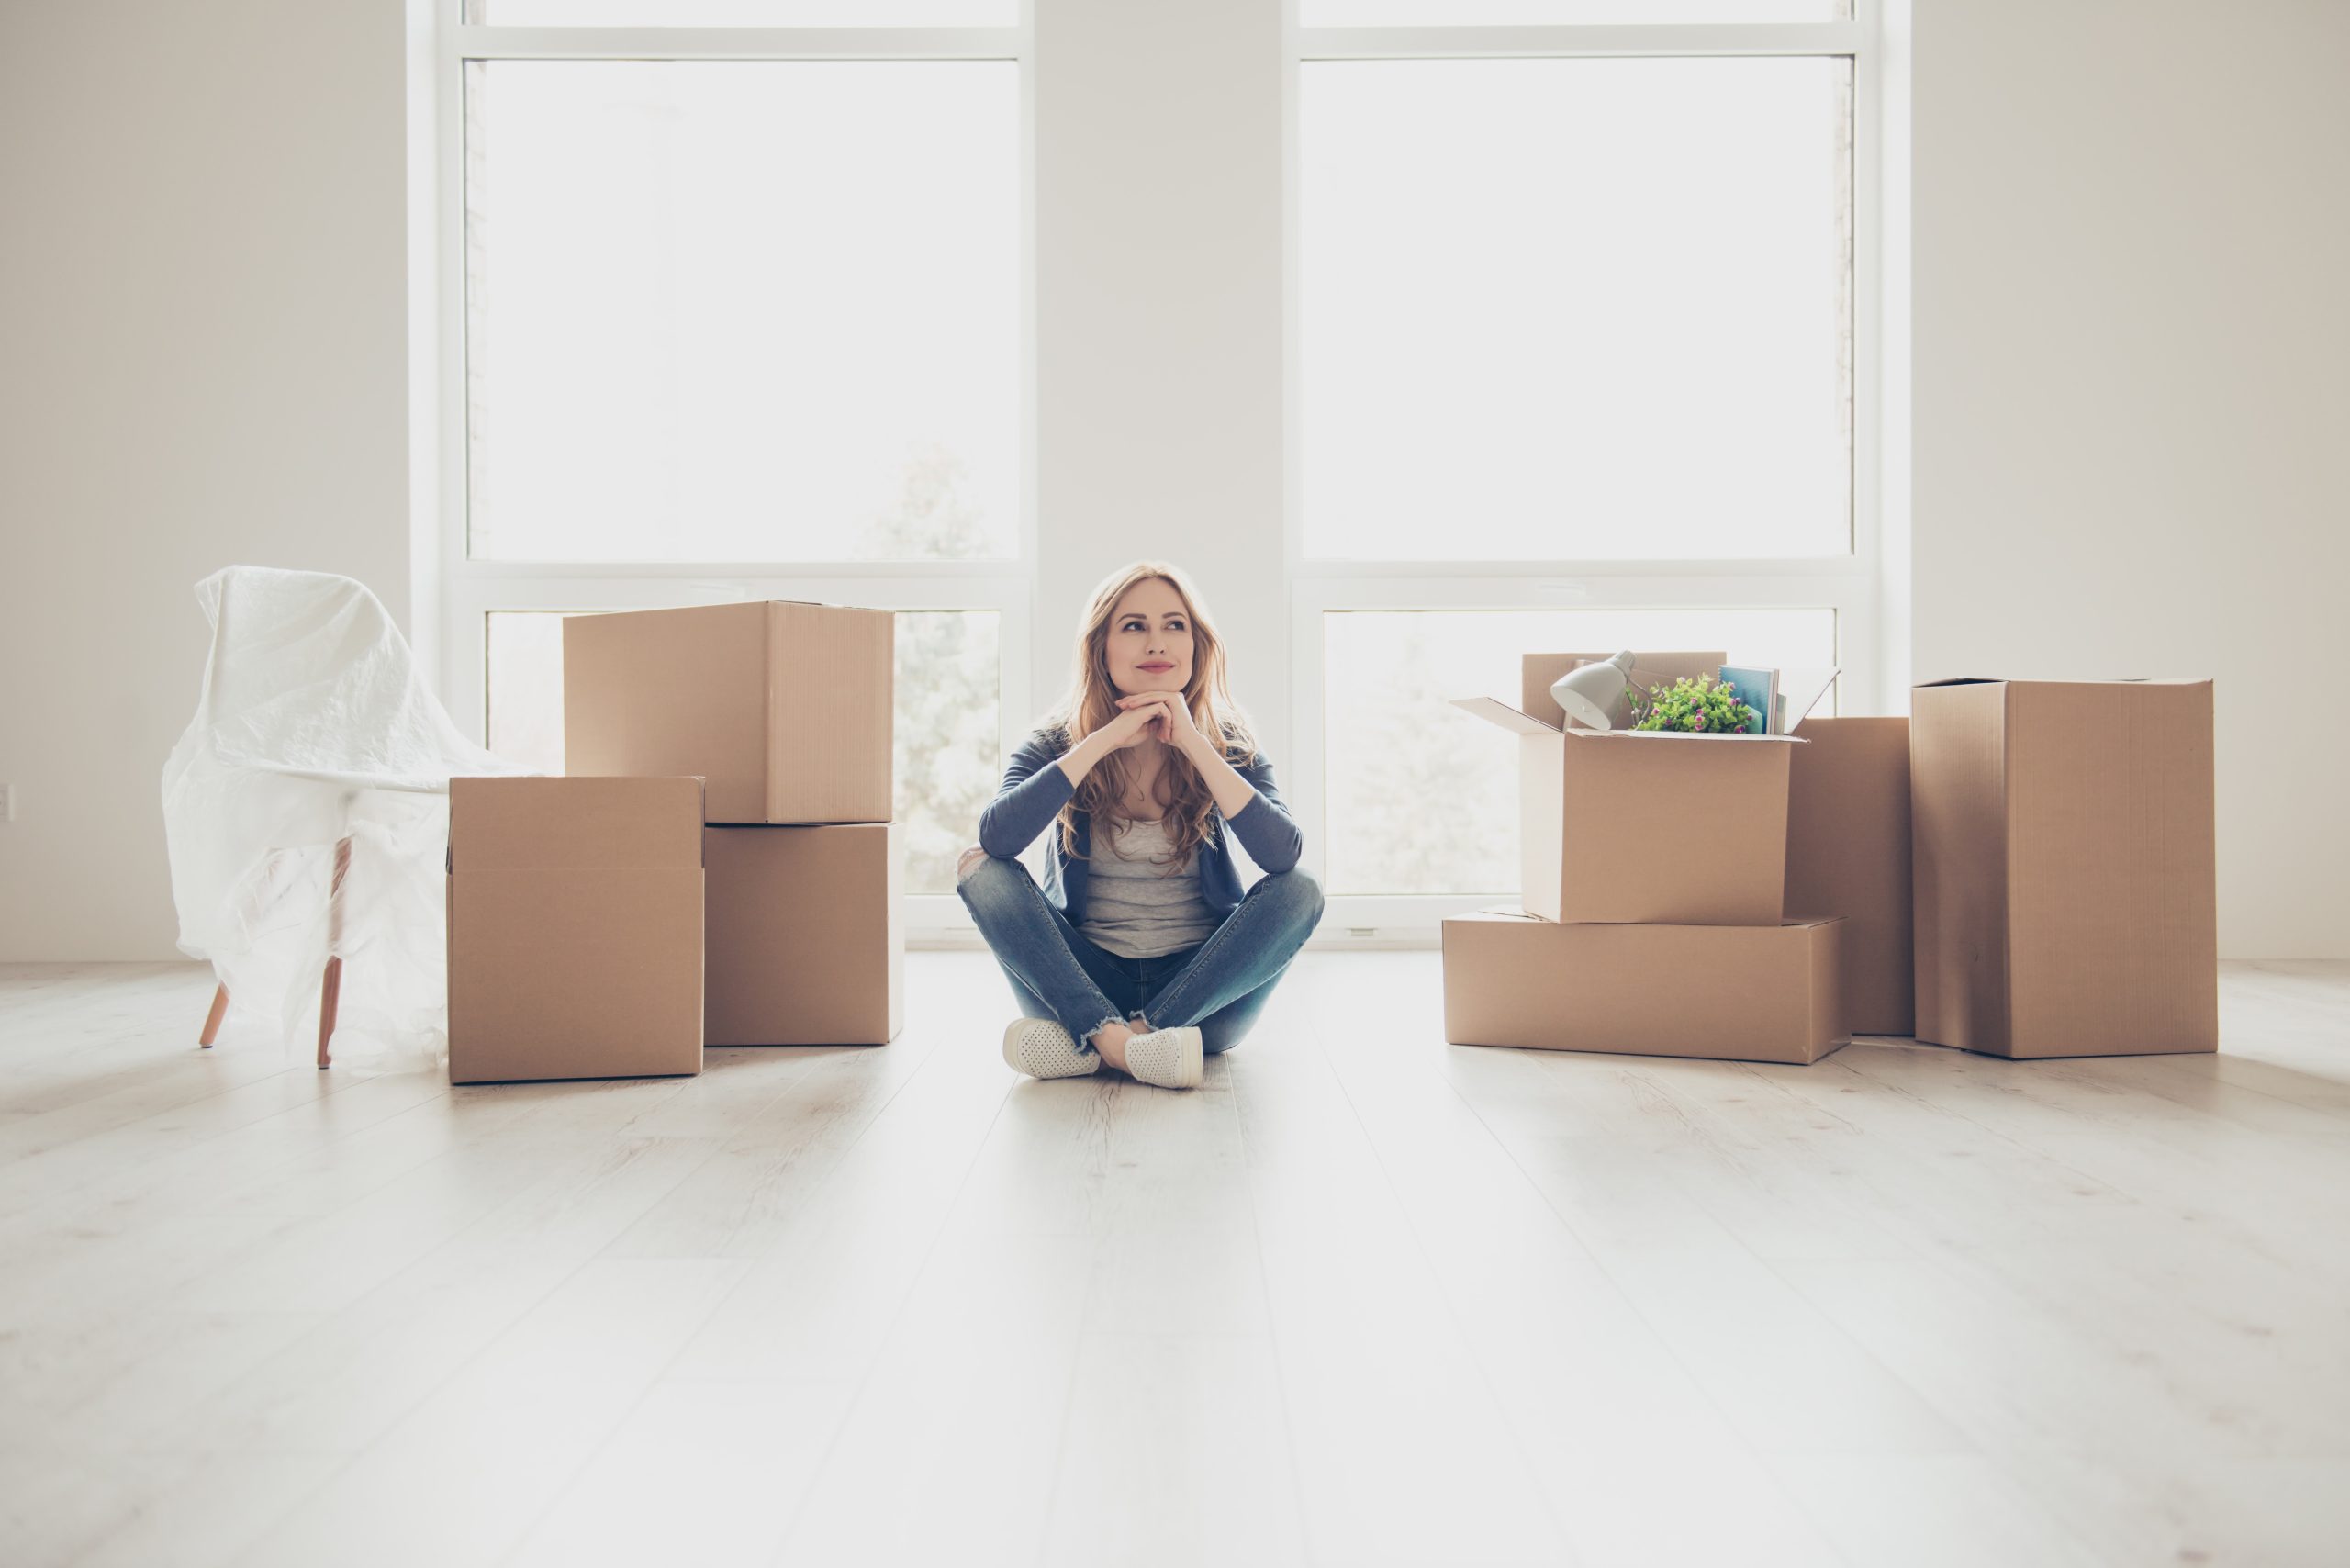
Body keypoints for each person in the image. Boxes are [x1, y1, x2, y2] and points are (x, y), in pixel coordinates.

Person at [957, 561, 1324, 1090]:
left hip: (1202, 992)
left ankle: (1104, 1044)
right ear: (1101, 648)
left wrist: (1194, 744)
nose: (1157, 643)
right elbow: (997, 838)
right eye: (1134, 626)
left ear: (1196, 646)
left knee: (1303, 889)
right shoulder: (1056, 741)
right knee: (978, 868)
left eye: (1175, 625)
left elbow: (1283, 857)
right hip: (1082, 981)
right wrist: (1105, 738)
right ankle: (1119, 1041)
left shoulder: (1230, 743)